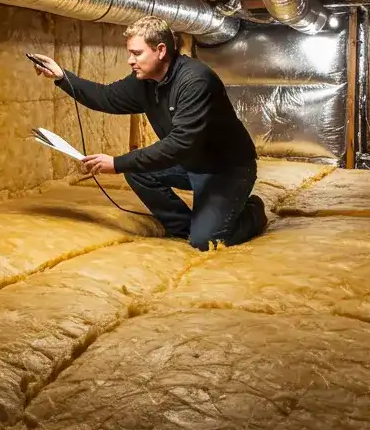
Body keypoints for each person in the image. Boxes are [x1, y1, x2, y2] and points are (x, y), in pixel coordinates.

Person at [32, 15, 266, 252]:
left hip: (226, 170)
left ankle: (253, 211)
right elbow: (106, 97)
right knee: (138, 173)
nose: (130, 60)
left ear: (161, 50)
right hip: (189, 163)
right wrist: (62, 76)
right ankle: (188, 226)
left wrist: (116, 163)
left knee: (207, 243)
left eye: (137, 53)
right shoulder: (144, 81)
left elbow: (179, 144)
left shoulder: (195, 81)